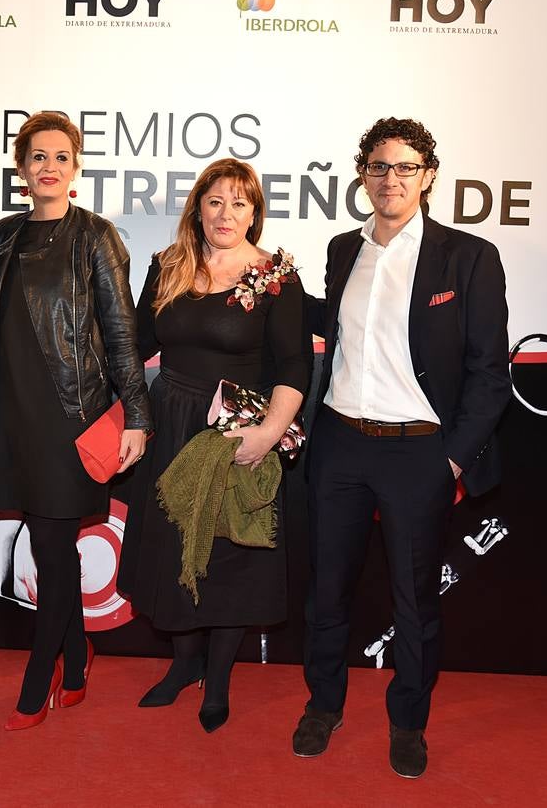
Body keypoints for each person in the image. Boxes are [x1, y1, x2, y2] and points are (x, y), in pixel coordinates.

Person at [292, 118, 510, 777]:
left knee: (415, 601)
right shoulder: (342, 249)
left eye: (406, 167)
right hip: (339, 445)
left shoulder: (468, 258)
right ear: (363, 175)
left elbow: (490, 374)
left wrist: (451, 458)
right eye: (379, 166)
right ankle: (322, 704)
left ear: (429, 176)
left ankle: (409, 721)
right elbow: (329, 336)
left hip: (419, 453)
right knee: (326, 590)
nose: (391, 179)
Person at [117, 158, 311, 733]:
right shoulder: (168, 264)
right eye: (215, 201)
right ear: (198, 207)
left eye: (239, 204)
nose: (226, 215)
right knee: (175, 549)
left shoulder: (276, 276)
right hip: (171, 425)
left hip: (235, 433)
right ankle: (185, 666)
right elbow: (135, 342)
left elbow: (295, 365)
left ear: (254, 213)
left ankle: (219, 681)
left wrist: (268, 434)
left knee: (229, 558)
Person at [0, 111, 151, 731]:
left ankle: (41, 673)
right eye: (37, 157)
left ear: (75, 168)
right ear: (21, 170)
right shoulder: (1, 237)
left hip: (69, 417)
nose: (48, 167)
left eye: (60, 156)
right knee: (49, 548)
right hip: (11, 418)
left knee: (53, 550)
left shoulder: (95, 236)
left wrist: (136, 415)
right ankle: (76, 659)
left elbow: (122, 332)